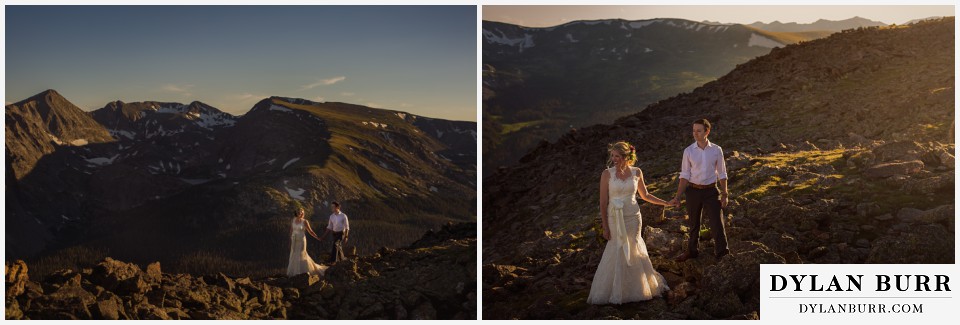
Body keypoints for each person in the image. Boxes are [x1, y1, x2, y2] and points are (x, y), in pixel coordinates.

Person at [587, 141, 672, 305]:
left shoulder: (637, 172)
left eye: (617, 156)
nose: (614, 159)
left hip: (633, 216)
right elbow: (603, 202)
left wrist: (665, 203)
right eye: (612, 156)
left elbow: (645, 195)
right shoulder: (607, 174)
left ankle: (639, 288)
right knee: (617, 247)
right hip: (614, 217)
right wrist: (605, 226)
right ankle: (616, 291)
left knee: (634, 246)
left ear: (626, 157)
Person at [669, 119, 731, 262]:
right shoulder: (688, 151)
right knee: (693, 224)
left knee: (717, 223)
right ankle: (692, 252)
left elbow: (722, 173)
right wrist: (678, 196)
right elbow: (684, 175)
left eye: (699, 131)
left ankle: (722, 254)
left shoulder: (716, 150)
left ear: (707, 132)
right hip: (693, 191)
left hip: (711, 191)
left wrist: (725, 193)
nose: (695, 134)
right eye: (694, 130)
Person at [286, 207, 328, 277]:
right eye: (300, 212)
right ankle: (294, 272)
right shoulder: (293, 220)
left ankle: (304, 271)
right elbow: (291, 231)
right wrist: (290, 241)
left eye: (302, 212)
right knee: (294, 254)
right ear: (297, 213)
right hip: (294, 240)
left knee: (301, 254)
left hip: (302, 240)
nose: (301, 214)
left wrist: (317, 237)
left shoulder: (305, 221)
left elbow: (310, 231)